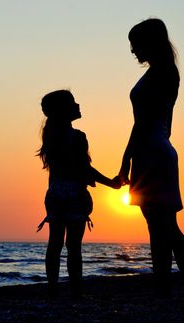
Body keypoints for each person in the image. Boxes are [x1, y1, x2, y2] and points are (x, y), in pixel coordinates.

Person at [118, 18, 184, 299]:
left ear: (150, 42)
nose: (132, 50)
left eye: (135, 44)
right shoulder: (164, 72)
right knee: (159, 227)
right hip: (155, 149)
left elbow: (143, 122)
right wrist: (133, 156)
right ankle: (166, 288)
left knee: (165, 227)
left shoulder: (161, 73)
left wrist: (126, 159)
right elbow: (164, 121)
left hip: (151, 152)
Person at [37, 90, 121, 298]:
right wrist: (111, 183)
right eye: (73, 103)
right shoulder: (78, 137)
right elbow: (85, 169)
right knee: (74, 246)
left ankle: (52, 289)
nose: (78, 105)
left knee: (55, 243)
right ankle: (75, 291)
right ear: (65, 111)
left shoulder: (51, 136)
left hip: (55, 193)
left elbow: (58, 172)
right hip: (74, 194)